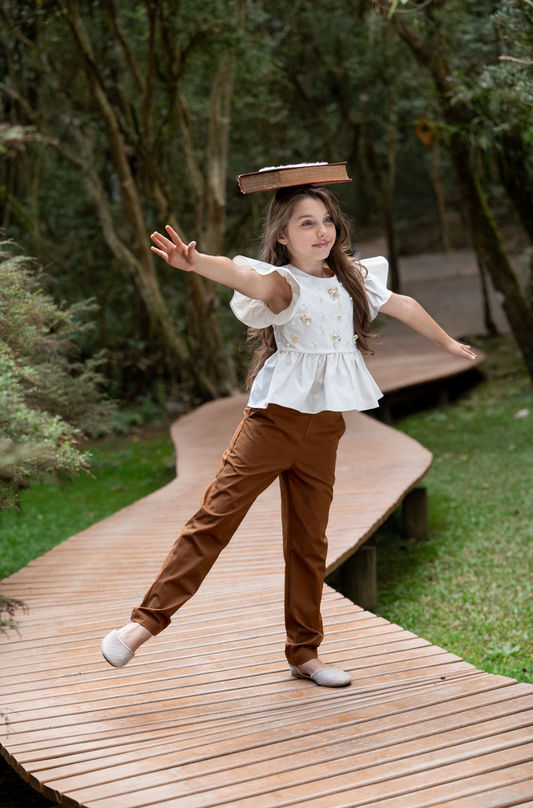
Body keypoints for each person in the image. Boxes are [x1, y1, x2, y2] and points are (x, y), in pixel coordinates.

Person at [101, 184, 476, 687]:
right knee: (216, 519)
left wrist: (447, 342)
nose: (322, 231)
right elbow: (243, 276)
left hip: (324, 427)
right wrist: (196, 263)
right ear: (282, 236)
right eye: (306, 223)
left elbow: (404, 305)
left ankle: (305, 652)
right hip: (272, 424)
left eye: (327, 220)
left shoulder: (352, 278)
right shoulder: (284, 284)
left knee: (309, 541)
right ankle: (143, 624)